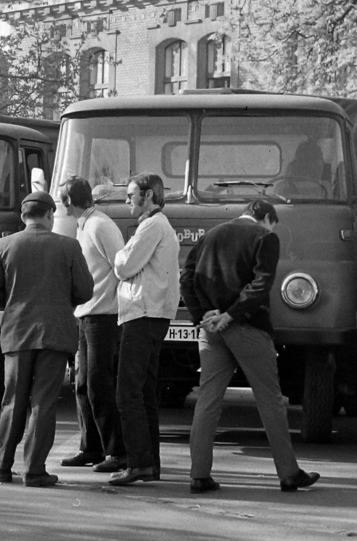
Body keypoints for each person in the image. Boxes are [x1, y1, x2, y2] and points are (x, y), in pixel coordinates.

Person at [181, 198, 320, 494]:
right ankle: (288, 473)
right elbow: (261, 284)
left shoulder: (211, 234)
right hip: (247, 327)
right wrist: (231, 315)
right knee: (270, 401)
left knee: (207, 400)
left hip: (211, 330)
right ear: (267, 217)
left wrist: (202, 314)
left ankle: (198, 475)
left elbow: (187, 277)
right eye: (274, 222)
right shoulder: (265, 238)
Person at [0, 192, 93, 487]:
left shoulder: (4, 245)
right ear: (50, 215)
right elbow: (85, 291)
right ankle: (34, 470)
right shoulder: (69, 246)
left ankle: (2, 466)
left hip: (17, 332)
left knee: (13, 401)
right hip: (55, 333)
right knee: (43, 403)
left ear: (23, 216)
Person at [110, 173, 179, 484]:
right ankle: (150, 463)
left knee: (128, 393)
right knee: (145, 391)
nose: (127, 200)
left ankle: (139, 463)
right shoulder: (158, 225)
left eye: (130, 194)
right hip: (152, 314)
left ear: (148, 195)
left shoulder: (151, 226)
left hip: (142, 314)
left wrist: (119, 256)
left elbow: (124, 266)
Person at [60, 177, 126, 475]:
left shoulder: (99, 225)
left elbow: (122, 266)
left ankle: (116, 451)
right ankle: (92, 447)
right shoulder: (86, 224)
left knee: (99, 382)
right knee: (83, 384)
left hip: (103, 316)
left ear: (68, 201)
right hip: (87, 314)